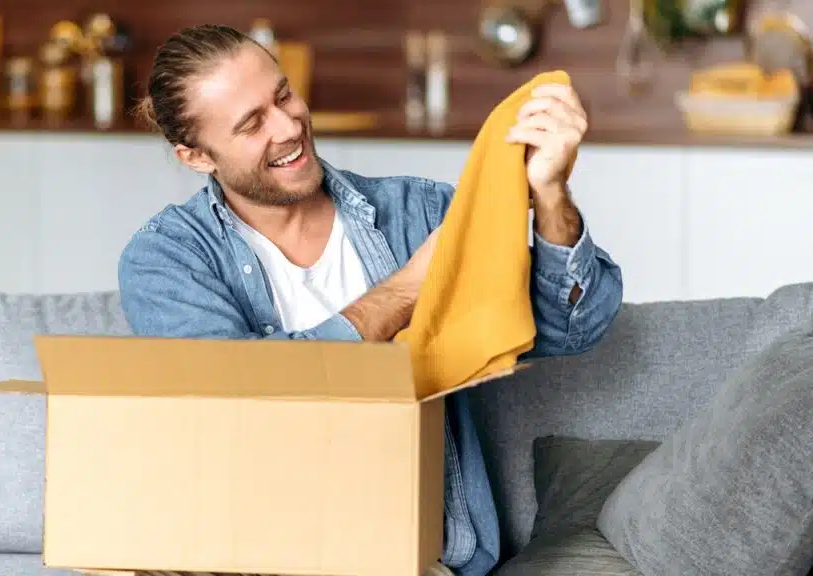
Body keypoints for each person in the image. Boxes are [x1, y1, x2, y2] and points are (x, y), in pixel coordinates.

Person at [118, 24, 623, 576]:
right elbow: (243, 403)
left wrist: (551, 194)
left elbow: (571, 329)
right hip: (259, 553)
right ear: (196, 157)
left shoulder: (420, 213)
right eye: (252, 123)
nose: (289, 127)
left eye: (283, 95)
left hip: (410, 556)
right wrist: (406, 290)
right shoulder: (166, 260)